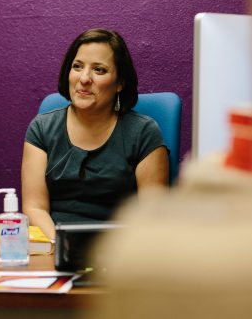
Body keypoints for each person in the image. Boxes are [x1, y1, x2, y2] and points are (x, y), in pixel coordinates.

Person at [21, 28, 169, 240]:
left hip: (118, 256)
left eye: (99, 70)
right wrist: (63, 249)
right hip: (55, 249)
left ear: (120, 83)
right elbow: (35, 207)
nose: (84, 78)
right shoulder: (42, 128)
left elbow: (152, 216)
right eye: (77, 67)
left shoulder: (144, 133)